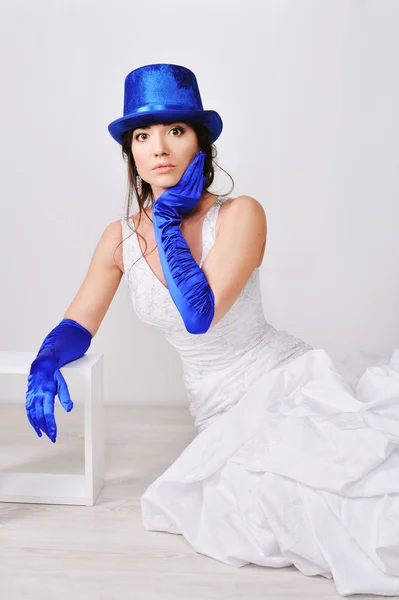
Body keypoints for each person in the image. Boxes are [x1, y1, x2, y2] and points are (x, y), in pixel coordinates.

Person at [25, 63, 399, 597]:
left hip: (286, 381)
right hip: (217, 410)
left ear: (201, 142)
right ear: (130, 152)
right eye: (143, 135)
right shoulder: (117, 239)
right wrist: (45, 361)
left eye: (176, 130)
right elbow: (78, 323)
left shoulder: (243, 213)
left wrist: (165, 222)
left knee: (351, 490)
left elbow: (199, 315)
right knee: (265, 503)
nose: (159, 147)